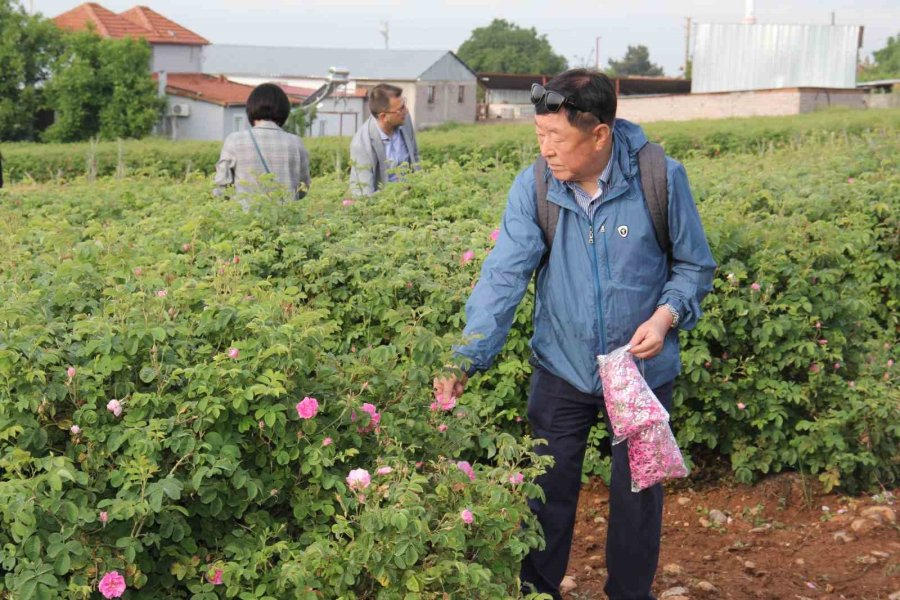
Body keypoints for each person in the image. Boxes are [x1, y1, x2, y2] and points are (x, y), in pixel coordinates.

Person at [433, 69, 716, 600]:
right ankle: (538, 592)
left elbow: (693, 267)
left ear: (599, 135)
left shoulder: (659, 177)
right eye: (539, 136)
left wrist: (665, 317)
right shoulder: (536, 186)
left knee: (637, 497)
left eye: (555, 138)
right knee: (545, 490)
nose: (546, 151)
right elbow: (504, 275)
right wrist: (465, 358)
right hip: (560, 367)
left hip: (640, 373)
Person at [214, 83, 311, 203]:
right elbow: (303, 189)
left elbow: (221, 187)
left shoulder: (235, 140)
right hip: (286, 217)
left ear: (251, 108)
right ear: (284, 110)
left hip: (243, 219)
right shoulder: (296, 143)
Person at [349, 83, 420, 196]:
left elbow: (415, 156)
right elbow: (364, 193)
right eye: (400, 109)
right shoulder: (361, 144)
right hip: (383, 204)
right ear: (383, 117)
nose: (406, 111)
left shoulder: (405, 120)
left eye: (404, 104)